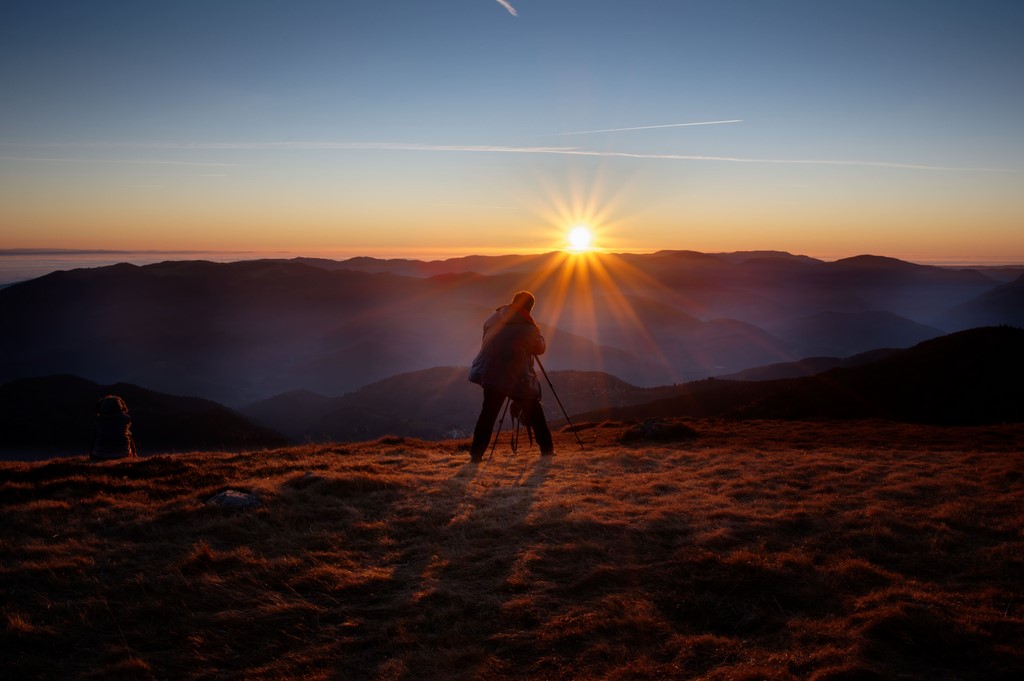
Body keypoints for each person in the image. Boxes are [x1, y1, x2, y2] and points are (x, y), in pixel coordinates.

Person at [468, 290, 554, 462]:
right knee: (535, 411)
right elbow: (540, 348)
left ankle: (475, 455)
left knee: (488, 415)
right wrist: (537, 333)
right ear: (529, 308)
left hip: (490, 374)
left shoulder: (493, 317)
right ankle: (547, 451)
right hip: (515, 378)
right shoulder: (527, 327)